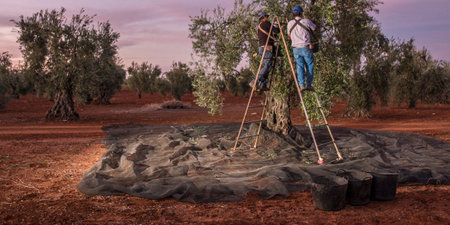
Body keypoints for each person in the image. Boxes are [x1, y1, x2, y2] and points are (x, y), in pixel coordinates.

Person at [287, 6, 317, 92]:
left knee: (299, 67)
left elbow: (289, 36)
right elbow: (315, 28)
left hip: (296, 49)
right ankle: (309, 85)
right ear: (301, 13)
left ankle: (301, 85)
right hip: (305, 47)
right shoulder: (306, 21)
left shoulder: (289, 23)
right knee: (309, 66)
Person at [250, 12, 279, 91]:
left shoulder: (259, 26)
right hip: (267, 48)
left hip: (262, 48)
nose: (267, 18)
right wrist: (280, 27)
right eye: (266, 16)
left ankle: (263, 84)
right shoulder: (266, 23)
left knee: (268, 67)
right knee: (266, 66)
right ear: (263, 17)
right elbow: (276, 31)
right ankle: (254, 81)